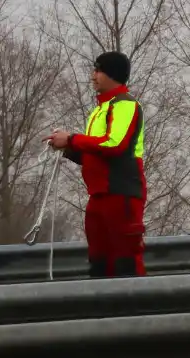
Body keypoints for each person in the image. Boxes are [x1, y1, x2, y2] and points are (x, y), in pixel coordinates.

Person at [44, 51, 147, 278]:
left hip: (121, 194)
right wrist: (67, 150)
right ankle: (102, 310)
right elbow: (95, 154)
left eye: (98, 70)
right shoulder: (99, 110)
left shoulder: (126, 105)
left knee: (125, 261)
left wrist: (71, 139)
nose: (93, 76)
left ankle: (135, 311)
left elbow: (115, 145)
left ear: (112, 74)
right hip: (99, 196)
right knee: (99, 262)